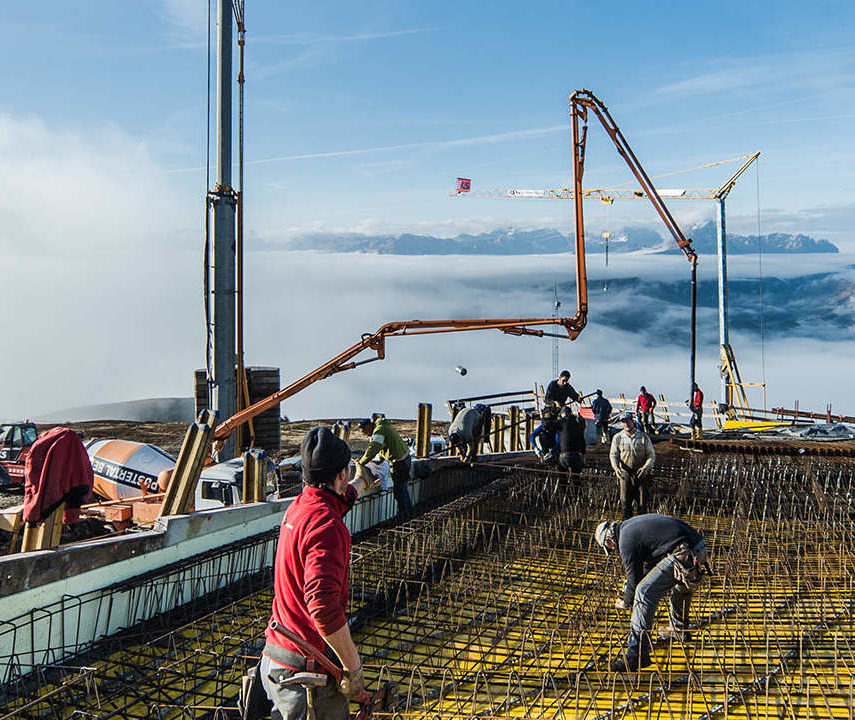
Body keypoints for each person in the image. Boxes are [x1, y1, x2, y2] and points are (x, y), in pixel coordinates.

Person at [261, 427, 375, 719]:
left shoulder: (300, 507)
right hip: (306, 679)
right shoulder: (328, 527)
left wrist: (363, 482)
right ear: (340, 475)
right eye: (347, 470)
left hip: (276, 660)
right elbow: (323, 609)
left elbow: (335, 501)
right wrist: (353, 669)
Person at [594, 514, 710, 672]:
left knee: (644, 592)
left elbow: (634, 581)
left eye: (610, 549)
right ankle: (679, 630)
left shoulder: (625, 541)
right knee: (678, 585)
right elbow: (650, 568)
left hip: (684, 553)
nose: (614, 551)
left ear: (609, 541)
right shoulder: (630, 527)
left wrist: (626, 601)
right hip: (698, 548)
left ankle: (637, 655)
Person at [358, 415, 413, 520]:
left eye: (365, 432)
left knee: (400, 490)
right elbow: (386, 446)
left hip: (399, 462)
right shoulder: (383, 428)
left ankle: (405, 516)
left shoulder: (379, 431)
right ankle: (408, 513)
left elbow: (373, 449)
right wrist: (381, 460)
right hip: (404, 459)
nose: (366, 435)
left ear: (369, 426)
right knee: (402, 489)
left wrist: (361, 463)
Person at [609, 412, 655, 520]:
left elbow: (651, 455)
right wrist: (616, 468)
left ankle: (642, 526)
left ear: (632, 421)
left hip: (641, 472)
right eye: (624, 422)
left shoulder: (643, 437)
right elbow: (613, 455)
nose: (626, 424)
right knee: (625, 501)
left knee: (642, 502)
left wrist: (645, 468)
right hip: (625, 472)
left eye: (628, 421)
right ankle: (626, 524)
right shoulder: (618, 437)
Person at [557, 405, 586, 477]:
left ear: (563, 413)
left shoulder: (561, 422)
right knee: (576, 479)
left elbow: (549, 426)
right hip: (577, 454)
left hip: (565, 454)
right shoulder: (578, 423)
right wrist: (583, 453)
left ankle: (563, 487)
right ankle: (576, 487)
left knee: (562, 477)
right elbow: (582, 439)